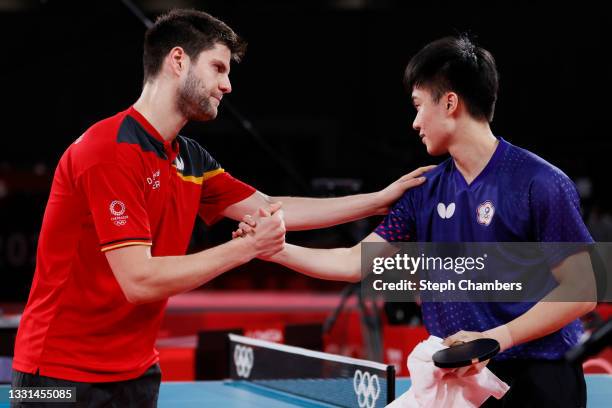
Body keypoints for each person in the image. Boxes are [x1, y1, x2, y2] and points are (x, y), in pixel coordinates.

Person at [10, 9, 430, 407]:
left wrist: (379, 200)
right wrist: (245, 249)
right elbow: (138, 281)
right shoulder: (109, 151)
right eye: (219, 67)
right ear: (178, 60)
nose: (227, 85)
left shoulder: (188, 159)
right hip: (57, 378)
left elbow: (271, 207)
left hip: (136, 372)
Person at [236, 36, 597, 406]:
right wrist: (273, 250)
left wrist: (496, 337)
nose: (415, 122)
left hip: (538, 378)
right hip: (456, 377)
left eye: (418, 105)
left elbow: (583, 288)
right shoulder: (423, 191)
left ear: (450, 103)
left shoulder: (540, 182)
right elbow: (354, 262)